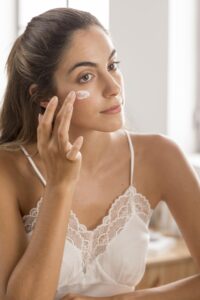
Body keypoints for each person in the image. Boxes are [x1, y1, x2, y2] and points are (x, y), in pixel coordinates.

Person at [0, 7, 199, 300]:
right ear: (42, 96)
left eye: (112, 64)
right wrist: (59, 186)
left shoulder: (160, 156)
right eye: (85, 77)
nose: (113, 87)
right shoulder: (8, 170)